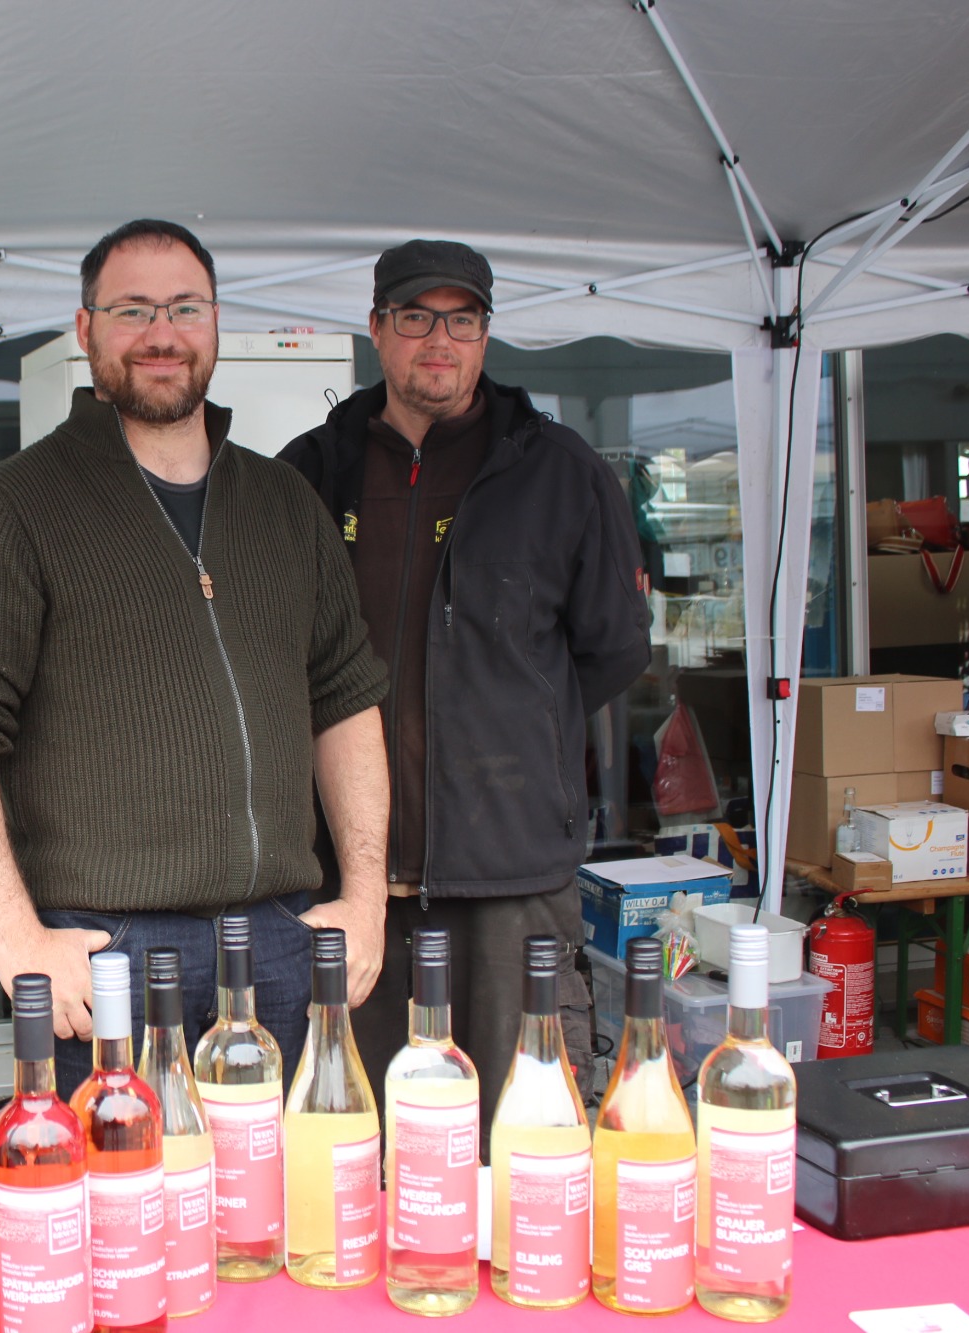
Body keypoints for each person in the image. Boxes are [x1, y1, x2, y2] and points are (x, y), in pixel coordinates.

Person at [0, 219, 391, 1095]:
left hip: (281, 945)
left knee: (288, 1184)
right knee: (124, 1190)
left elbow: (345, 701)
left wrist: (366, 898)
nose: (162, 333)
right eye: (132, 309)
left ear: (215, 322)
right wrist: (15, 939)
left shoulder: (284, 504)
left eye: (185, 307)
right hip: (107, 954)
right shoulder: (16, 509)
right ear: (85, 329)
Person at [278, 239, 652, 1140]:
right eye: (416, 317)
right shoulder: (309, 474)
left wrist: (513, 730)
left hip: (510, 883)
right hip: (347, 882)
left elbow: (612, 650)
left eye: (462, 319)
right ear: (377, 330)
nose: (439, 340)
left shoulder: (561, 473)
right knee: (351, 1141)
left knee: (518, 1140)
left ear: (486, 335)